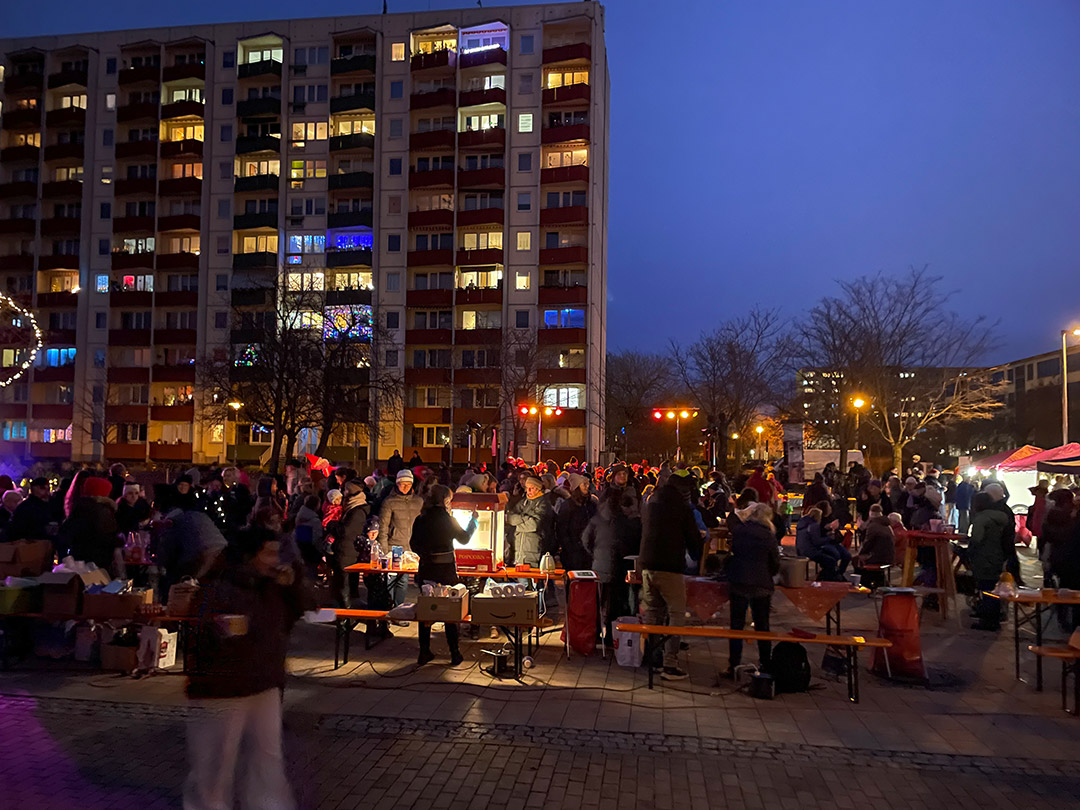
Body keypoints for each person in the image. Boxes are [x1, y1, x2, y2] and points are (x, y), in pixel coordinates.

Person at [184, 526, 314, 810]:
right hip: (223, 685)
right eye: (267, 553)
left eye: (276, 552)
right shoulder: (221, 584)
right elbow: (207, 632)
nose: (274, 559)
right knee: (215, 762)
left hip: (263, 680)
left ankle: (268, 805)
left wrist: (293, 581)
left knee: (267, 758)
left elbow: (303, 608)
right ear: (248, 555)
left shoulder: (272, 585)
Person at [638, 469, 701, 680]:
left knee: (654, 611)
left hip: (647, 564)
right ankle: (670, 663)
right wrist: (698, 556)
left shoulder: (652, 500)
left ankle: (652, 657)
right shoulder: (681, 507)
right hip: (669, 566)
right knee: (676, 613)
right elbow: (693, 538)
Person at [410, 484, 478, 666]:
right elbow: (464, 538)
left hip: (426, 569)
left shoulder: (421, 518)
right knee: (449, 610)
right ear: (445, 500)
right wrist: (474, 522)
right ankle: (454, 652)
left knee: (426, 610)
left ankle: (424, 652)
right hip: (446, 570)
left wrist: (425, 555)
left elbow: (413, 544)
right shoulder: (447, 519)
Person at [725, 502, 780, 676]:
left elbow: (733, 552)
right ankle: (765, 663)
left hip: (739, 582)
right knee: (762, 626)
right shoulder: (768, 535)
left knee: (737, 626)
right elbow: (775, 563)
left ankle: (734, 664)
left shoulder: (739, 531)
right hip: (761, 584)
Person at [155, 484, 228, 601]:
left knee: (172, 582)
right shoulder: (199, 515)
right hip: (223, 553)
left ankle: (171, 609)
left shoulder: (172, 522)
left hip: (201, 556)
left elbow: (167, 553)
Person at [376, 469, 423, 610]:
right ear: (397, 484)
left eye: (408, 484)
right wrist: (384, 550)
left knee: (403, 580)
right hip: (394, 547)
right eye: (402, 484)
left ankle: (399, 609)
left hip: (410, 548)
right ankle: (388, 609)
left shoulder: (419, 501)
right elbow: (383, 527)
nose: (405, 486)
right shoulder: (389, 502)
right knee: (390, 579)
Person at [966, 492, 1009, 630]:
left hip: (984, 556)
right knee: (993, 587)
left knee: (985, 588)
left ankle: (988, 621)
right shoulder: (999, 518)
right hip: (997, 555)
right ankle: (994, 617)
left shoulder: (981, 519)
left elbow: (977, 539)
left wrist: (968, 550)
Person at [58, 476, 120, 571]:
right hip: (100, 556)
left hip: (80, 557)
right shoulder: (104, 511)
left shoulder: (80, 508)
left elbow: (66, 531)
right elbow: (108, 535)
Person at [505, 476, 555, 569]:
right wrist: (525, 519)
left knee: (531, 582)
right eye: (527, 488)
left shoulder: (543, 504)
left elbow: (534, 525)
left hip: (533, 553)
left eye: (531, 488)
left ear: (538, 488)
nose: (528, 491)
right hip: (518, 552)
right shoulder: (523, 502)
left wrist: (516, 525)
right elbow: (509, 518)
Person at [795, 504, 850, 581]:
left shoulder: (803, 524)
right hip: (811, 551)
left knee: (832, 558)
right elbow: (817, 542)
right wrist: (829, 538)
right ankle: (828, 577)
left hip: (802, 550)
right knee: (831, 560)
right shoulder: (814, 525)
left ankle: (833, 576)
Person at [555, 473, 596, 571]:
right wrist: (570, 547)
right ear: (577, 487)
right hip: (573, 552)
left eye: (587, 484)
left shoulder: (591, 504)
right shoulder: (568, 506)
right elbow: (561, 529)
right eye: (584, 484)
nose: (587, 487)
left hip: (589, 550)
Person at [853, 504, 895, 588]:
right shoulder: (887, 525)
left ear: (870, 513)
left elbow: (867, 543)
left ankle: (865, 583)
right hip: (889, 555)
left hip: (878, 556)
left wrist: (860, 553)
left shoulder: (873, 526)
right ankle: (877, 580)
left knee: (856, 560)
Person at [6, 477, 55, 542]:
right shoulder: (26, 507)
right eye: (43, 488)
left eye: (48, 489)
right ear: (35, 488)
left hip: (45, 544)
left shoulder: (50, 505)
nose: (47, 492)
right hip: (30, 545)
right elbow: (17, 529)